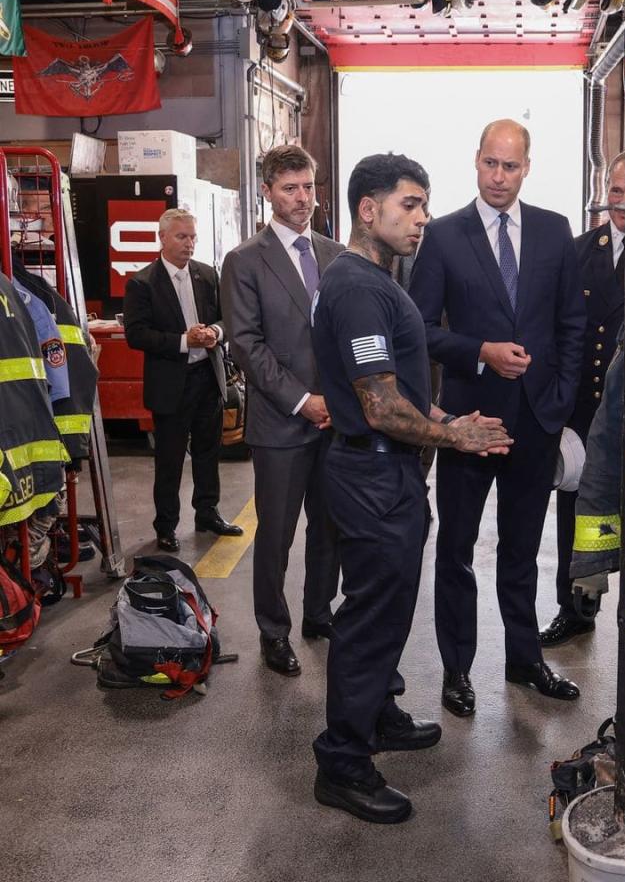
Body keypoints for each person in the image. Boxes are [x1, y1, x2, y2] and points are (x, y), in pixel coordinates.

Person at [311, 152, 511, 823]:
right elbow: (378, 406)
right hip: (372, 471)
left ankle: (375, 715)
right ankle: (342, 760)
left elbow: (403, 397)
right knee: (370, 618)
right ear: (368, 210)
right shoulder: (359, 289)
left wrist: (452, 420)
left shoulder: (378, 281)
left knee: (389, 608)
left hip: (387, 469)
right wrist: (453, 437)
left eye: (425, 205)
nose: (422, 219)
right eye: (409, 205)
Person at [409, 119, 586, 717]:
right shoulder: (444, 236)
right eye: (491, 163)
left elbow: (571, 326)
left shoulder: (555, 231)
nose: (499, 177)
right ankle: (457, 669)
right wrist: (480, 351)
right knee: (456, 548)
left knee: (522, 549)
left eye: (511, 166)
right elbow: (423, 330)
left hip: (536, 421)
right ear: (476, 161)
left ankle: (524, 657)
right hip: (468, 422)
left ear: (527, 167)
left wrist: (557, 402)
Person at [221, 146, 342, 677]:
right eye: (290, 188)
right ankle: (274, 631)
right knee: (276, 535)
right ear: (268, 192)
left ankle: (319, 613)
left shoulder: (337, 255)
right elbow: (247, 345)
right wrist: (302, 400)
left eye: (309, 187)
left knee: (330, 528)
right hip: (282, 423)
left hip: (337, 421)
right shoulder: (245, 260)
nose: (302, 199)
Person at [539, 152, 625, 648]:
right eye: (613, 191)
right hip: (584, 411)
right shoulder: (579, 249)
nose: (621, 203)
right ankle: (575, 609)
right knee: (577, 514)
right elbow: (560, 332)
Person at [123, 209, 242, 553]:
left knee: (209, 452)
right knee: (170, 460)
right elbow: (136, 334)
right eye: (181, 237)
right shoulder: (142, 283)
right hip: (171, 383)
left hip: (207, 377)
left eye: (192, 237)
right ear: (161, 238)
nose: (189, 244)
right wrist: (182, 341)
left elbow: (227, 317)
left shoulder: (207, 274)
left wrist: (215, 333)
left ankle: (207, 513)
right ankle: (166, 526)